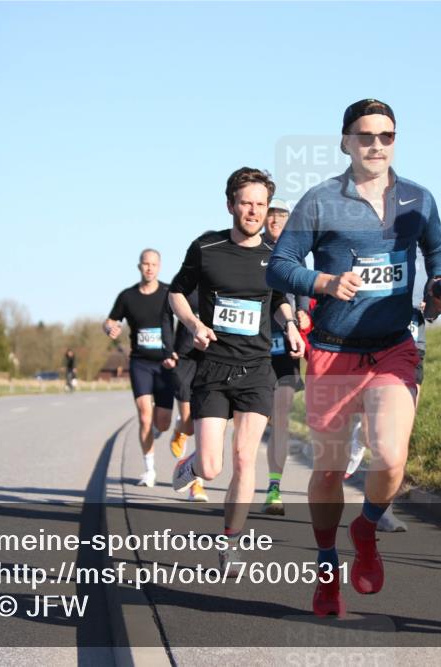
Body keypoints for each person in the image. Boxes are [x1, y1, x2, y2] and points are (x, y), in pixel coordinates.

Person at [267, 99, 441, 617]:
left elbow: (437, 250)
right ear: (346, 141)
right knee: (328, 473)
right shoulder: (321, 200)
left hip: (393, 347)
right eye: (365, 136)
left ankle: (366, 527)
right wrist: (323, 282)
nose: (376, 145)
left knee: (391, 458)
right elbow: (280, 267)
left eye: (386, 136)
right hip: (331, 352)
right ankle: (328, 571)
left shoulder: (418, 198)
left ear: (396, 140)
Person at [169, 167, 304, 568]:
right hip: (213, 368)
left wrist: (291, 325)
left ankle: (230, 540)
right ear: (230, 204)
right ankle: (189, 464)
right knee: (211, 467)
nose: (254, 211)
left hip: (256, 369)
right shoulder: (206, 248)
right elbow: (177, 292)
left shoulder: (275, 255)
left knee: (246, 458)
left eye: (261, 204)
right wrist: (194, 324)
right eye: (246, 203)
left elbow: (279, 298)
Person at [345, 253, 432, 532]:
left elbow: (432, 311)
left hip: (412, 347)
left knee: (398, 438)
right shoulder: (376, 250)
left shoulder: (427, 258)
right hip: (375, 349)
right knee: (375, 435)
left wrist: (431, 306)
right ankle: (359, 437)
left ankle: (382, 509)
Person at [105, 249, 177, 487]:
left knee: (162, 422)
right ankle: (149, 470)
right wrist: (110, 329)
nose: (149, 268)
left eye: (153, 264)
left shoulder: (170, 293)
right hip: (140, 363)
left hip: (166, 364)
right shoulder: (127, 296)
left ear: (159, 267)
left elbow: (188, 317)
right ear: (139, 267)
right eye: (145, 264)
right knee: (145, 416)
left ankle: (158, 431)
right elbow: (110, 320)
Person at [262, 198, 312, 516]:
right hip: (251, 343)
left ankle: (274, 486)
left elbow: (304, 289)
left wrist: (304, 312)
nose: (276, 220)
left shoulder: (296, 254)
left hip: (285, 339)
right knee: (244, 421)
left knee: (280, 415)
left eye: (282, 215)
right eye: (272, 214)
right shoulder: (252, 249)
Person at [164, 290, 208, 502]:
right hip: (184, 356)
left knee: (202, 423)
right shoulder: (185, 282)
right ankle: (181, 429)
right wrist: (168, 348)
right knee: (190, 423)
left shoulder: (221, 279)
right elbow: (165, 315)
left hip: (209, 356)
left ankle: (196, 485)